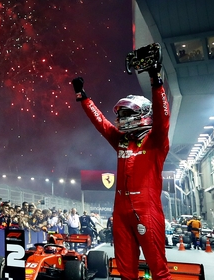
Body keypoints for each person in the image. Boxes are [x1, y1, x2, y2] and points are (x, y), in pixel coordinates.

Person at [73, 58, 170, 280]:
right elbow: (102, 124)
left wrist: (156, 81)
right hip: (120, 214)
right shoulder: (122, 141)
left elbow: (163, 117)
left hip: (147, 213)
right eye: (121, 114)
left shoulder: (156, 141)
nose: (121, 118)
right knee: (126, 273)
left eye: (127, 114)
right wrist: (84, 98)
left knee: (159, 271)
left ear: (142, 114)